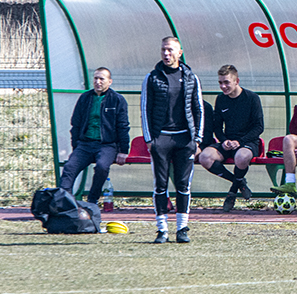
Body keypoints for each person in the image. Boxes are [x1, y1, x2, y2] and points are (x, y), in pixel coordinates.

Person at [141, 36, 204, 244]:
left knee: (183, 185)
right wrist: (150, 140)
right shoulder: (152, 78)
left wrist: (197, 139)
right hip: (161, 138)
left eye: (170, 50)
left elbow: (198, 108)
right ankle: (162, 230)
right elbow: (145, 110)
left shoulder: (190, 77)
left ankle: (182, 228)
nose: (166, 54)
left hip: (184, 139)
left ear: (179, 52)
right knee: (160, 185)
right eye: (163, 50)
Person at [59, 67, 129, 205]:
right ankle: (65, 201)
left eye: (101, 79)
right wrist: (76, 147)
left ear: (109, 82)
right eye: (95, 78)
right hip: (85, 145)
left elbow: (123, 127)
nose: (98, 82)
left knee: (102, 167)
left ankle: (92, 200)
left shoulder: (117, 100)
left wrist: (123, 151)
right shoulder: (85, 98)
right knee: (69, 167)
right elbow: (76, 124)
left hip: (107, 145)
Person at [198, 65, 264, 212]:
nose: (223, 86)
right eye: (220, 83)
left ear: (237, 81)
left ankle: (232, 193)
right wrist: (224, 140)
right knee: (204, 157)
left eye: (226, 82)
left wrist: (240, 142)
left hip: (247, 142)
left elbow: (259, 127)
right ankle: (239, 182)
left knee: (241, 157)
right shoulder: (221, 99)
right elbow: (217, 128)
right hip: (227, 143)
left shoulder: (252, 98)